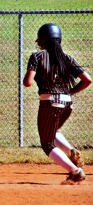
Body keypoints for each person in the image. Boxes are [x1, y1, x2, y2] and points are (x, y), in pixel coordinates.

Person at [23, 23, 92, 183]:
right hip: (67, 103)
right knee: (52, 132)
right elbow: (87, 80)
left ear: (42, 40)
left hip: (50, 103)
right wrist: (70, 92)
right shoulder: (66, 57)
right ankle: (70, 151)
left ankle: (75, 172)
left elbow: (27, 82)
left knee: (47, 144)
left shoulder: (37, 56)